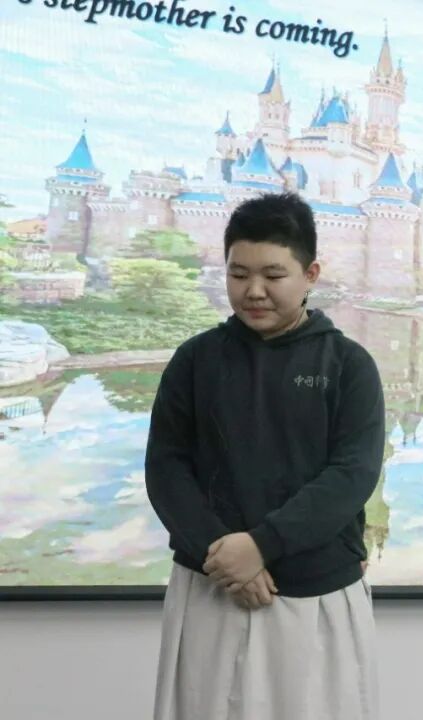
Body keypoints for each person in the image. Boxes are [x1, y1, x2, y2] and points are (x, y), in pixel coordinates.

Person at [145, 192, 385, 720]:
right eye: (238, 274)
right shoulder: (195, 360)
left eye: (273, 275)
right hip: (211, 586)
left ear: (310, 273)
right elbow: (166, 469)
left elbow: (352, 474)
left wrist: (262, 545)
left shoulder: (348, 364)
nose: (253, 291)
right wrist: (225, 555)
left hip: (315, 594)